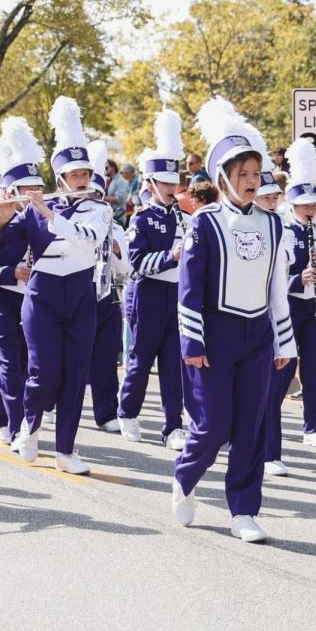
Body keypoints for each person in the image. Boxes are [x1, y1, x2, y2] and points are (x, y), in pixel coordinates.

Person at [172, 97, 296, 544]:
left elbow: (276, 287)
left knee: (252, 425)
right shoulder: (202, 224)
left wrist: (285, 343)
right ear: (223, 177)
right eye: (241, 174)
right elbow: (189, 289)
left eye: (255, 174)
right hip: (215, 335)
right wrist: (193, 342)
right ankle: (184, 478)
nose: (250, 181)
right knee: (213, 425)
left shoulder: (275, 225)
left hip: (259, 335)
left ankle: (244, 509)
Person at [0, 97, 108, 474]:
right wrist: (3, 218)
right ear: (60, 178)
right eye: (74, 175)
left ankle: (65, 449)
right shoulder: (33, 210)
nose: (81, 180)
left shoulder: (100, 209)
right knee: (44, 372)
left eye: (85, 174)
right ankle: (29, 426)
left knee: (76, 375)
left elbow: (88, 240)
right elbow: (1, 251)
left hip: (79, 293)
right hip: (43, 295)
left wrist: (47, 214)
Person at [263, 139, 316, 477]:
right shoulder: (280, 231)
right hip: (287, 307)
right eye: (304, 205)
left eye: (313, 205)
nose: (310, 210)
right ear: (291, 204)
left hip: (314, 311)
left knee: (312, 370)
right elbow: (273, 275)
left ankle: (312, 427)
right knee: (281, 371)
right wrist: (298, 278)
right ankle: (264, 432)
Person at [120, 108, 188, 449]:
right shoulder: (143, 219)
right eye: (165, 183)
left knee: (174, 363)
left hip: (177, 295)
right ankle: (127, 412)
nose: (171, 188)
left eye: (174, 183)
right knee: (141, 360)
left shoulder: (185, 217)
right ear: (150, 184)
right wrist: (171, 256)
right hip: (147, 294)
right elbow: (136, 263)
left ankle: (173, 425)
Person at [0, 120, 42, 446]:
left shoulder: (44, 219)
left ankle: (2, 416)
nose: (32, 196)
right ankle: (18, 427)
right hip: (2, 299)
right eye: (25, 191)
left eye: (36, 190)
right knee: (7, 364)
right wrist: (10, 273)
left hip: (35, 301)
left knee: (29, 364)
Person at [86, 140, 131, 436]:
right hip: (76, 294)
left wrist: (117, 253)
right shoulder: (65, 222)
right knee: (69, 357)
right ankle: (53, 404)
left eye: (99, 195)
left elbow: (127, 271)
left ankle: (105, 412)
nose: (95, 200)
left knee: (105, 358)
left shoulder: (118, 230)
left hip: (108, 299)